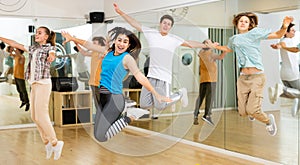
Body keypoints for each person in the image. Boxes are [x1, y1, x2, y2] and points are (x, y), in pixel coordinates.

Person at [61, 27, 171, 142]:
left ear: (128, 45)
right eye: (119, 40)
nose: (121, 44)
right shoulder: (107, 52)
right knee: (98, 134)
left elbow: (140, 77)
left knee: (100, 136)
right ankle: (127, 117)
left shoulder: (127, 59)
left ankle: (131, 116)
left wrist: (155, 93)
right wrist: (72, 38)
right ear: (115, 41)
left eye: (125, 42)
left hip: (114, 99)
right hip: (103, 97)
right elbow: (88, 45)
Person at [114, 3, 211, 113]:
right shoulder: (152, 33)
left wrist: (206, 45)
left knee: (160, 106)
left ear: (170, 27)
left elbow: (190, 43)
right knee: (145, 104)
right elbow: (135, 24)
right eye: (164, 23)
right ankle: (168, 99)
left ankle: (180, 93)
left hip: (163, 78)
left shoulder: (173, 39)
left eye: (169, 24)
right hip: (150, 77)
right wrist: (121, 12)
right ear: (160, 24)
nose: (166, 25)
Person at [211, 12, 293, 136]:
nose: (243, 23)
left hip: (257, 76)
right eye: (241, 21)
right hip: (243, 78)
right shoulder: (233, 39)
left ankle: (268, 121)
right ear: (237, 23)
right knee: (242, 112)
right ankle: (252, 113)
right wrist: (215, 46)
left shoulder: (254, 33)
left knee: (252, 109)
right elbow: (229, 48)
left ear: (250, 25)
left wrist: (284, 26)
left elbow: (277, 34)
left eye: (246, 21)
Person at [0, 26, 64, 160]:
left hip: (43, 83)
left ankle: (55, 142)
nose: (37, 35)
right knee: (35, 116)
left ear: (46, 36)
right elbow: (14, 43)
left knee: (42, 114)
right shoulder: (34, 48)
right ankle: (47, 142)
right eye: (36, 33)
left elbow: (53, 53)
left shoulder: (49, 48)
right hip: (34, 84)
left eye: (40, 33)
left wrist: (52, 56)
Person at [193, 39, 227, 126]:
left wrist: (213, 46)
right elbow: (220, 57)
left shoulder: (201, 53)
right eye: (208, 42)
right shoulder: (210, 53)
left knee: (201, 97)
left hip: (203, 79)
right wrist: (225, 50)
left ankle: (196, 114)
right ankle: (207, 115)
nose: (210, 43)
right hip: (211, 79)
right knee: (210, 97)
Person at [270, 39, 300, 117]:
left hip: (287, 73)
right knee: (297, 93)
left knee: (294, 93)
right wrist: (281, 46)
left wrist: (280, 46)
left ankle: (279, 91)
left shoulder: (286, 41)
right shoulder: (285, 41)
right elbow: (296, 49)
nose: (294, 32)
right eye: (292, 30)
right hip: (290, 73)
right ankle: (282, 90)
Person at [76, 36, 106, 113]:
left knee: (101, 103)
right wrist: (76, 42)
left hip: (100, 82)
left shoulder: (102, 52)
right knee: (97, 103)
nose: (92, 45)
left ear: (100, 45)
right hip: (93, 82)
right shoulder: (94, 52)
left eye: (94, 43)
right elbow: (84, 53)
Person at [9, 47, 30, 111]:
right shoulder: (16, 56)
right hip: (15, 76)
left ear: (20, 51)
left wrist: (14, 49)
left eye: (17, 50)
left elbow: (19, 55)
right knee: (19, 90)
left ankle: (27, 103)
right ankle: (23, 101)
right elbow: (9, 54)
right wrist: (11, 49)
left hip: (20, 77)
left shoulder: (22, 57)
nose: (16, 51)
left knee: (23, 90)